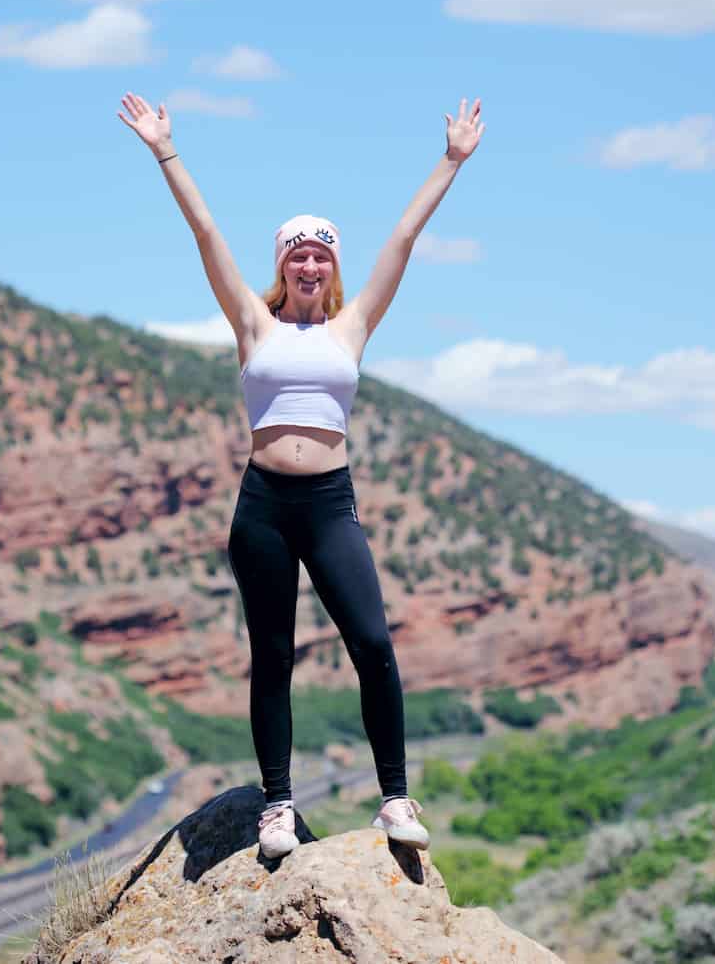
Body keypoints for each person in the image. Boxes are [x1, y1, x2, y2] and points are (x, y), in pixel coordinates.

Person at [117, 91, 485, 860]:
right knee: (274, 657)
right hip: (262, 508)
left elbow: (404, 238)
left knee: (374, 642)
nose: (310, 262)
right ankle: (276, 806)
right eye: (297, 252)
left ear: (333, 267)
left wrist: (450, 161)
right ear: (281, 264)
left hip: (327, 502)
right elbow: (207, 231)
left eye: (321, 253)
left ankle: (394, 796)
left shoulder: (354, 326)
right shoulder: (254, 322)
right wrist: (165, 151)